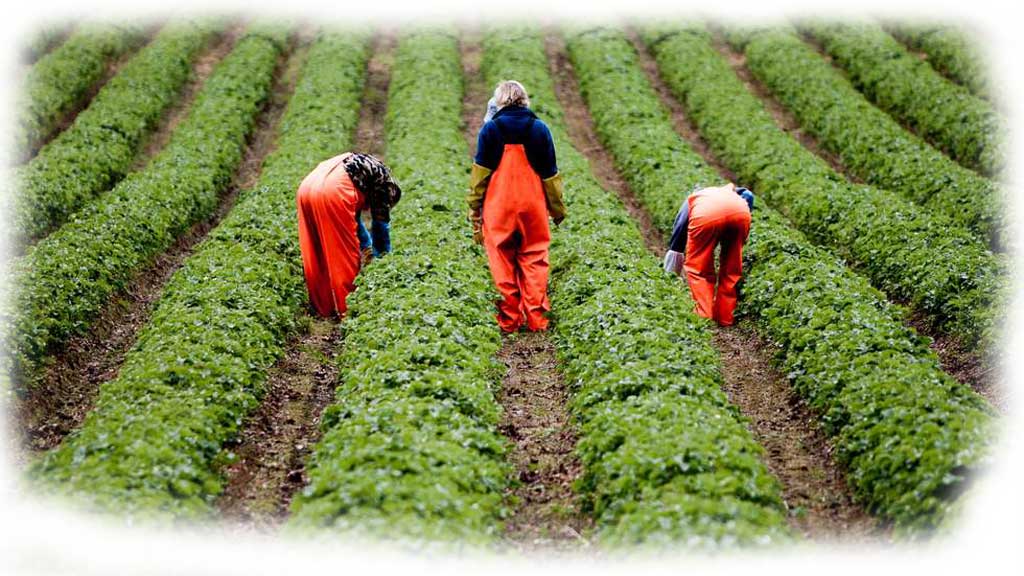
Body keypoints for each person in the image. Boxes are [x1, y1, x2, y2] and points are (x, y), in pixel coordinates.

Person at [468, 80, 567, 333]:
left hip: (498, 206)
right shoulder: (539, 129)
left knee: (501, 259)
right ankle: (537, 319)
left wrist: (474, 209)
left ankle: (509, 320)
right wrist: (556, 209)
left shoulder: (490, 130)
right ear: (524, 100)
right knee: (534, 257)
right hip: (533, 205)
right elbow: (550, 175)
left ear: (500, 102)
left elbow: (480, 176)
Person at [297, 152, 401, 317]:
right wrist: (382, 261)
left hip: (308, 187)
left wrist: (366, 245)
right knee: (345, 256)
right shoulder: (384, 188)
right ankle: (349, 312)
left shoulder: (365, 171)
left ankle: (321, 309)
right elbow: (380, 232)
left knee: (317, 249)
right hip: (333, 190)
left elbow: (354, 219)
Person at [663, 183, 754, 326]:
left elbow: (679, 229)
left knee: (698, 268)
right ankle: (725, 317)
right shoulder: (730, 190)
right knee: (731, 268)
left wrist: (671, 269)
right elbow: (749, 195)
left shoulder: (692, 199)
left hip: (706, 216)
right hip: (740, 214)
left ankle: (703, 316)